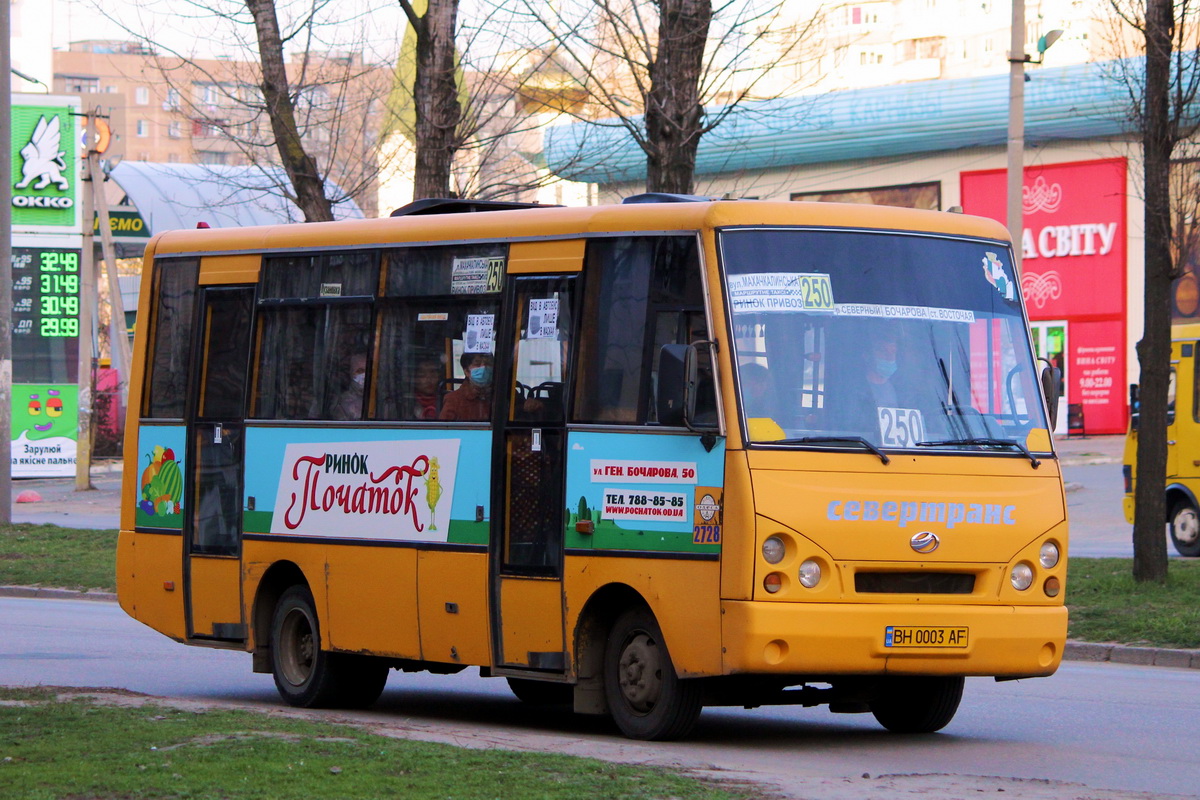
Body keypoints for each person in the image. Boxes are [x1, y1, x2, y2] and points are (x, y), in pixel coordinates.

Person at [439, 351, 493, 421]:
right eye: (477, 364)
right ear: (467, 371)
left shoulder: (499, 398)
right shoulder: (453, 400)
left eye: (488, 364)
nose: (484, 368)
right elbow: (444, 429)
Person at [331, 352, 367, 420]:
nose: (364, 375)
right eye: (360, 371)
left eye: (368, 371)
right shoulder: (342, 404)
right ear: (351, 373)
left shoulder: (382, 400)